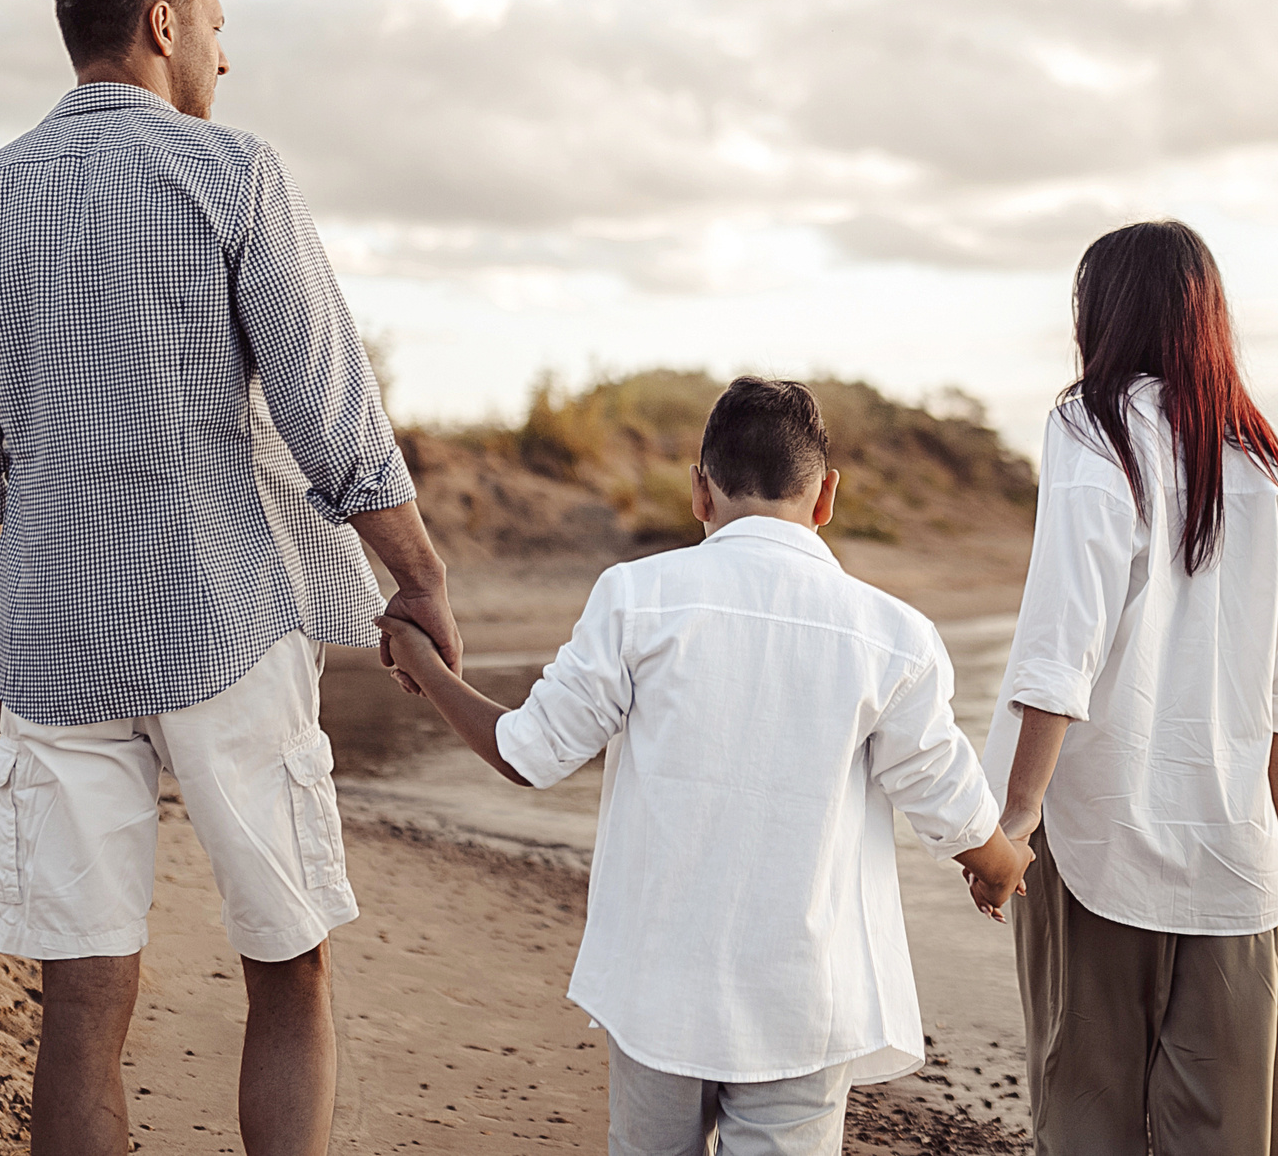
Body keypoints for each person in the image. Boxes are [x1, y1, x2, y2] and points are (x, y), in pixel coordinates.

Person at [0, 0, 463, 1156]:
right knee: (288, 963)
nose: (223, 54)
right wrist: (419, 574)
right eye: (216, 25)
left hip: (47, 640)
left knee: (80, 1006)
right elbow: (331, 413)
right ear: (164, 25)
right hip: (227, 618)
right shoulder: (233, 172)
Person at [379, 376, 1033, 1156]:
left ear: (699, 490)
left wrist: (427, 666)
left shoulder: (637, 597)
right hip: (804, 997)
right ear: (826, 496)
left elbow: (530, 752)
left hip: (658, 985)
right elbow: (944, 793)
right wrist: (999, 865)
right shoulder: (892, 634)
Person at [983, 221, 1278, 1156]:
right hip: (1235, 855)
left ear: (1103, 314)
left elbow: (1065, 637)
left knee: (1086, 1118)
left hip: (1099, 838)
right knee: (1227, 1134)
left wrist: (1016, 818)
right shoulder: (1269, 468)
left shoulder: (1091, 423)